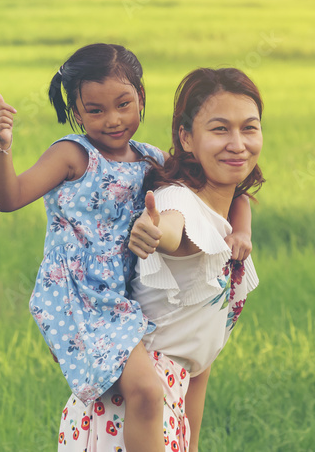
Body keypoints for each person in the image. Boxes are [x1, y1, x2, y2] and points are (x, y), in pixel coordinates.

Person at [0, 44, 250, 452]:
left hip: (120, 298)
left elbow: (225, 189)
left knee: (150, 392)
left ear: (141, 99)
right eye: (95, 111)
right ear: (77, 113)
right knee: (147, 391)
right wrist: (4, 145)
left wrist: (241, 232)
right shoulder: (74, 155)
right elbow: (10, 198)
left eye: (123, 104)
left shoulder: (151, 159)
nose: (112, 120)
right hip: (78, 295)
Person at [57, 67, 264, 452]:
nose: (237, 143)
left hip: (171, 404)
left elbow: (199, 364)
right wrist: (152, 230)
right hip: (128, 413)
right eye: (220, 129)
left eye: (249, 128)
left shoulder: (225, 215)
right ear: (186, 138)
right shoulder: (177, 201)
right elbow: (172, 228)